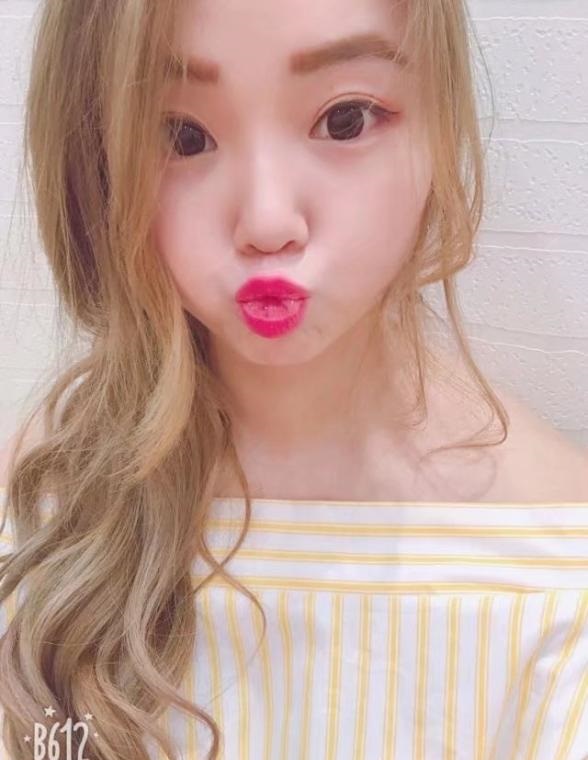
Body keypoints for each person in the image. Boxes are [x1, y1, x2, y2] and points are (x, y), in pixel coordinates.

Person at [1, 0, 587, 758]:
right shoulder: (38, 511)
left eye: (346, 120)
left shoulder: (555, 582)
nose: (269, 222)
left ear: (441, 124)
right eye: (183, 136)